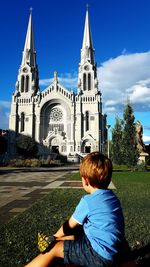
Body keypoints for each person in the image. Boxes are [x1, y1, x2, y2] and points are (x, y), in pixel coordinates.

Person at [25, 152, 125, 267]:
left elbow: (69, 225)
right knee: (77, 233)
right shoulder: (112, 197)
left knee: (53, 249)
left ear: (86, 181)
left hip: (99, 255)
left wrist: (53, 238)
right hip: (115, 249)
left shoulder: (88, 201)